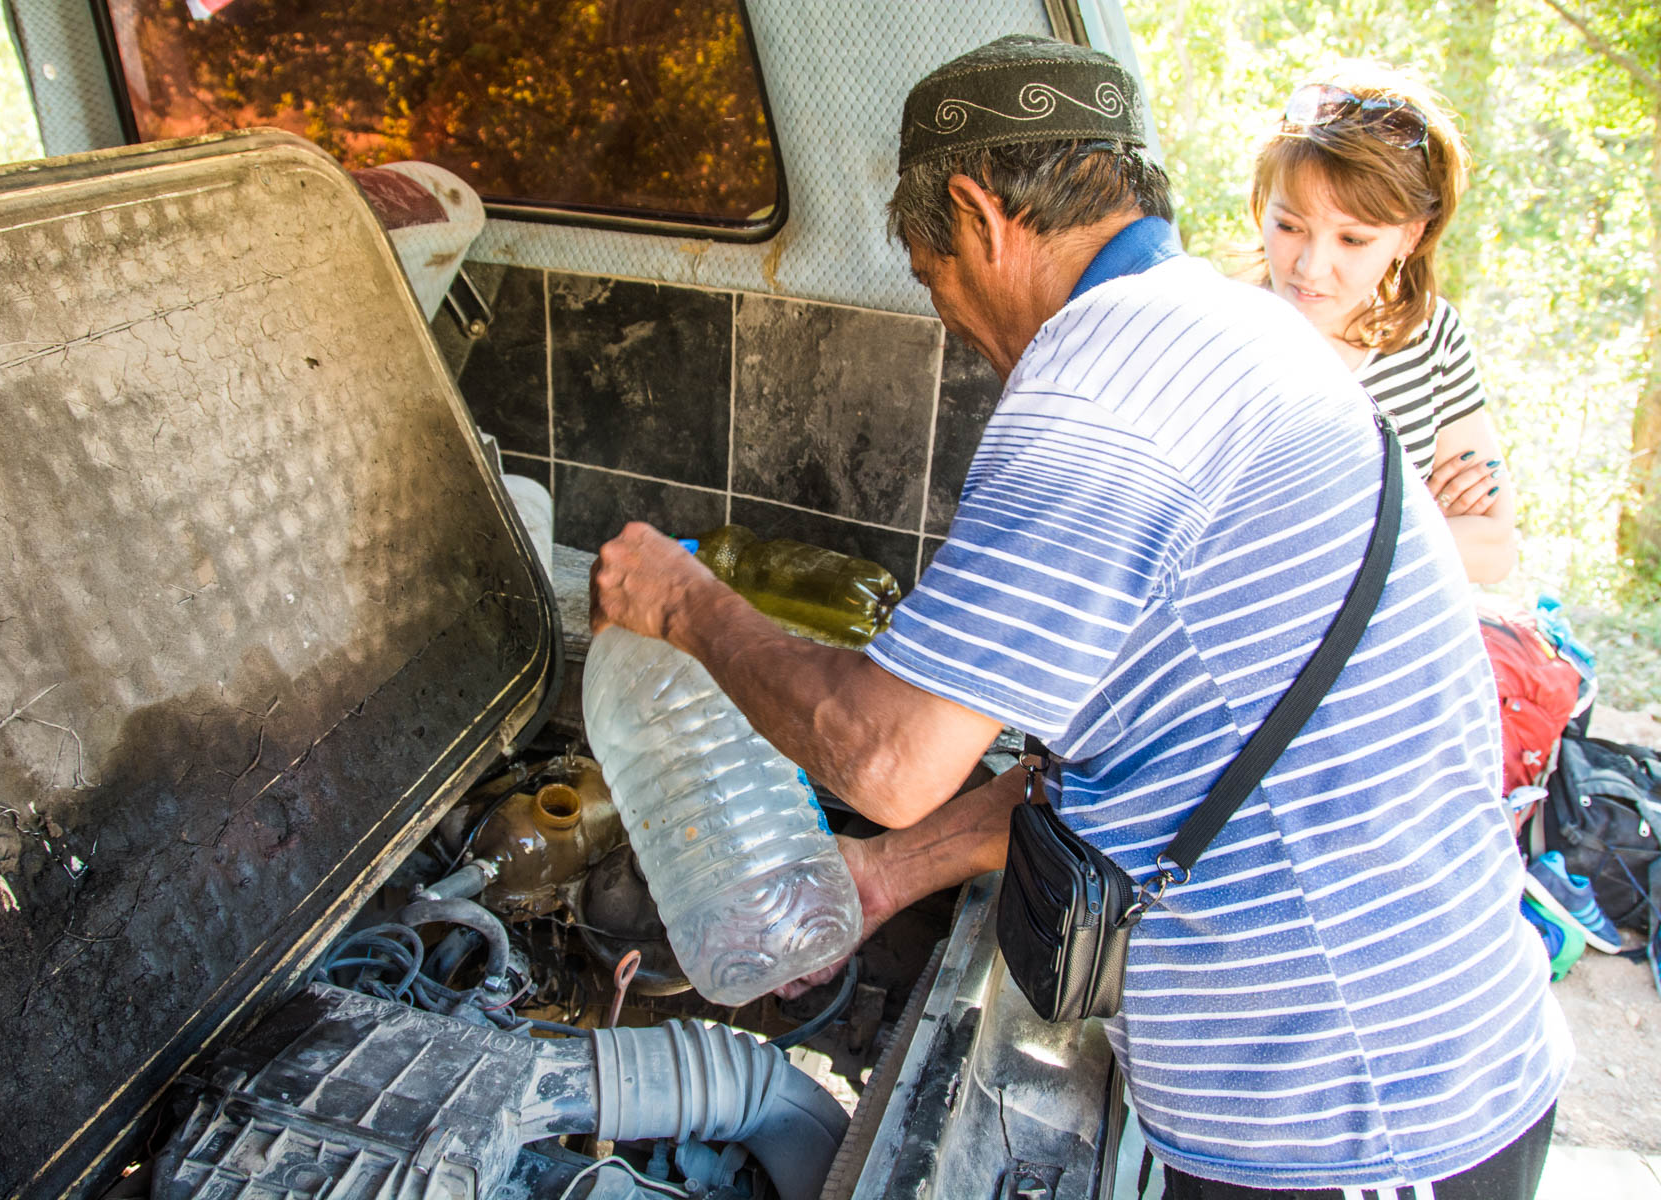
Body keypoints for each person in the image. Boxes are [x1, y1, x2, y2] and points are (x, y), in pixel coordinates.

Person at [591, 34, 1569, 1199]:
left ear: (979, 212)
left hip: (1349, 1120)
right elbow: (1154, 761)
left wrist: (685, 603)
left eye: (929, 269)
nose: (948, 313)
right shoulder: (1226, 329)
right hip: (1435, 1066)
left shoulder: (1098, 393)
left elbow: (887, 756)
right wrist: (887, 878)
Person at [1249, 64, 1518, 585]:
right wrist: (1425, 523)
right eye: (1288, 226)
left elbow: (1494, 549)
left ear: (1411, 237)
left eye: (1353, 240)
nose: (1310, 266)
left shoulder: (1432, 336)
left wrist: (1327, 541)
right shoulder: (1220, 338)